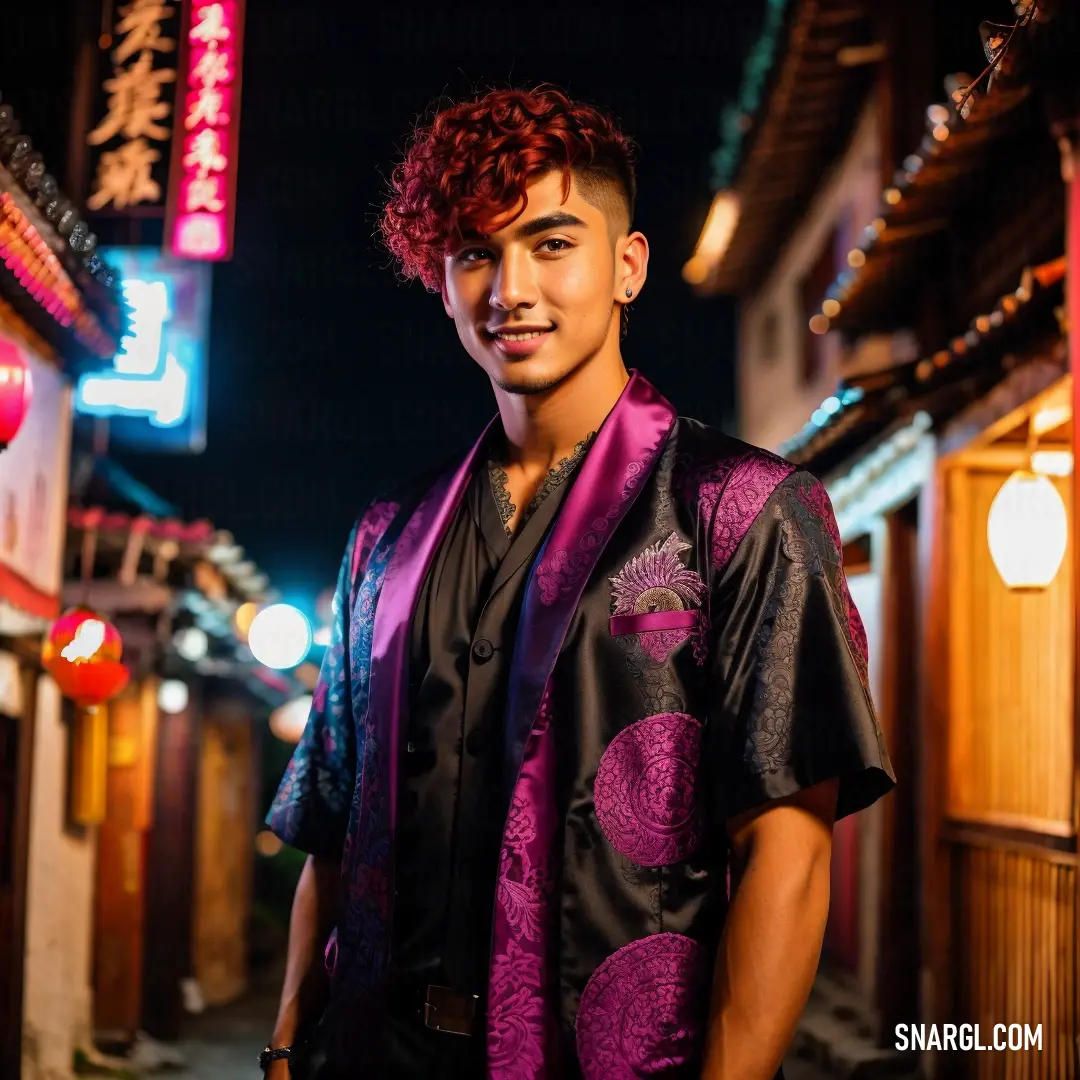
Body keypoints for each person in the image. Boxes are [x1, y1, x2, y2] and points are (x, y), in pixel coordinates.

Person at [261, 85, 895, 1080]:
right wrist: (290, 1035)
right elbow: (333, 828)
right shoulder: (385, 537)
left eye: (553, 244)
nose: (511, 288)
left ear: (627, 265)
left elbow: (789, 850)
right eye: (476, 254)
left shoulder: (744, 510)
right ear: (442, 280)